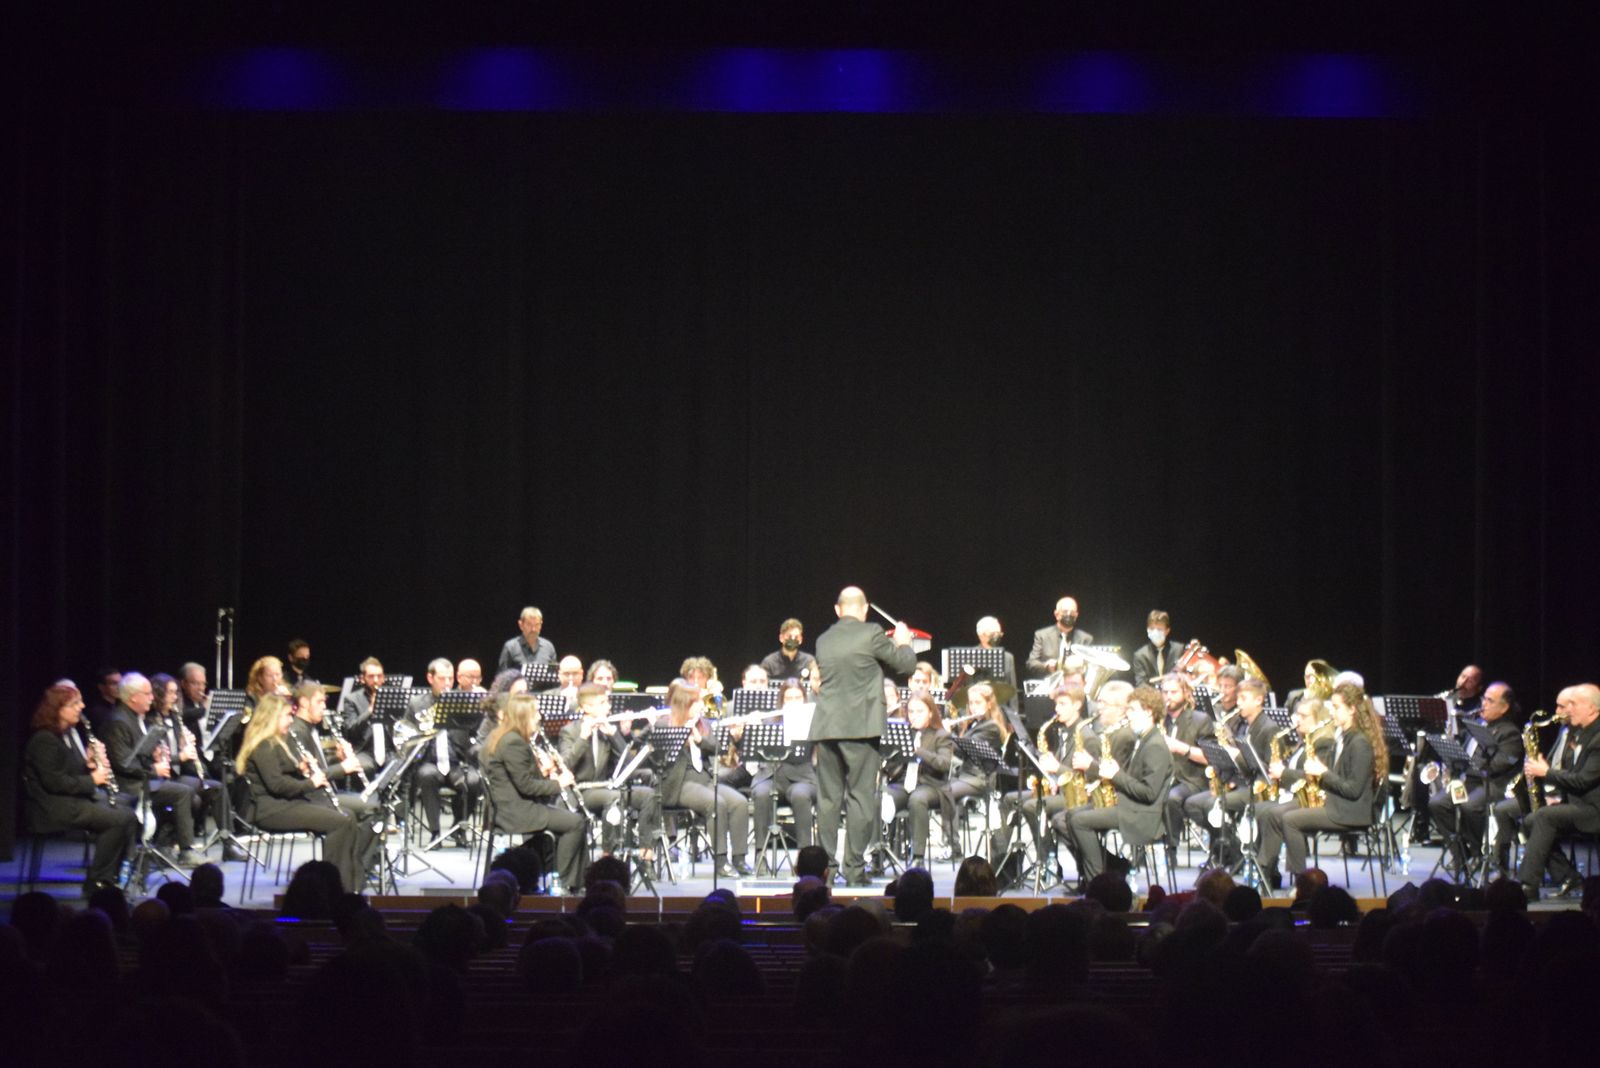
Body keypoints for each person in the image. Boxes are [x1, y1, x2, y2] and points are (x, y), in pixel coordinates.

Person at [811, 586, 916, 886]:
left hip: (828, 727)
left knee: (828, 800)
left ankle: (826, 871)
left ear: (837, 609)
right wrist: (904, 642)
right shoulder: (872, 633)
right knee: (860, 798)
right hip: (860, 728)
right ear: (866, 608)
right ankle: (854, 869)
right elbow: (906, 665)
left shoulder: (823, 639)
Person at [237, 693, 376, 891]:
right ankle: (335, 887)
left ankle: (352, 882)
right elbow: (277, 786)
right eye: (286, 716)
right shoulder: (264, 746)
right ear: (272, 718)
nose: (290, 720)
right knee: (341, 821)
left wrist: (301, 768)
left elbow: (283, 774)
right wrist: (311, 782)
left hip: (288, 803)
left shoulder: (276, 742)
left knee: (348, 816)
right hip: (273, 810)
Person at [23, 681, 140, 896]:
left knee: (127, 811)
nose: (82, 706)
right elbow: (55, 783)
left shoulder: (64, 735)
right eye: (75, 703)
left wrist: (89, 764)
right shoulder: (44, 740)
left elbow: (69, 774)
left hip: (70, 799)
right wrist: (93, 780)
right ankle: (96, 882)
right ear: (58, 709)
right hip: (52, 807)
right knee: (118, 819)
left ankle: (114, 875)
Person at [1059, 685, 1174, 886]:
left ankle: (1097, 882)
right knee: (1071, 814)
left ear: (1148, 712)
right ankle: (1097, 876)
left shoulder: (1155, 745)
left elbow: (1148, 793)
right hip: (1130, 805)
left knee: (1079, 821)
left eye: (1132, 710)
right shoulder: (1144, 739)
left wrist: (1116, 775)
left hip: (1142, 814)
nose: (1127, 715)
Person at [1271, 682, 1387, 879]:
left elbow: (1353, 790)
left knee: (1290, 820)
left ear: (1351, 710)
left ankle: (1302, 883)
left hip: (1351, 812)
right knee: (1282, 812)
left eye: (1336, 707)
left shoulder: (1359, 743)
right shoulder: (1344, 738)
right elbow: (1337, 778)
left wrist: (1323, 773)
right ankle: (1278, 873)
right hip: (1338, 805)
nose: (1331, 713)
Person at [482, 693, 588, 894]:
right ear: (524, 717)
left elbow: (524, 779)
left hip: (514, 807)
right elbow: (527, 787)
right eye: (536, 713)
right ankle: (561, 882)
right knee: (576, 823)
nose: (540, 717)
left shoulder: (506, 737)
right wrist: (559, 783)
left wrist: (545, 772)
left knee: (575, 819)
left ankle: (577, 882)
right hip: (516, 812)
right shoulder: (513, 742)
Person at [649, 678, 750, 877]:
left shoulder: (702, 723)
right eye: (696, 702)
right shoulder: (663, 723)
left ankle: (739, 859)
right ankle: (721, 861)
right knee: (715, 803)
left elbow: (717, 748)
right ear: (684, 704)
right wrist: (675, 735)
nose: (701, 705)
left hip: (703, 779)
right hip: (678, 783)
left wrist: (699, 739)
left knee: (739, 802)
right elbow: (655, 757)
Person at [102, 672, 206, 866]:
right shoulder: (119, 721)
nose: (152, 697)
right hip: (130, 785)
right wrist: (155, 769)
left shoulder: (134, 717)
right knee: (183, 792)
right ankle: (186, 851)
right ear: (133, 697)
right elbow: (123, 763)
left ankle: (165, 843)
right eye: (147, 693)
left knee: (192, 795)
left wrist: (156, 754)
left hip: (144, 779)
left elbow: (138, 753)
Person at [992, 681, 1093, 867]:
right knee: (1009, 799)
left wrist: (1057, 769)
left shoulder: (1085, 734)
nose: (1057, 709)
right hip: (1060, 789)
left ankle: (1045, 858)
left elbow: (1087, 776)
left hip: (1077, 797)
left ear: (1078, 705)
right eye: (1056, 704)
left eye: (1062, 704)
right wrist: (1046, 778)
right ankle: (1000, 860)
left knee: (1031, 806)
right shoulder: (1063, 731)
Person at [1428, 680, 1523, 873]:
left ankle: (1478, 852)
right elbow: (1466, 753)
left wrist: (1468, 765)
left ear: (1504, 708)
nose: (1483, 704)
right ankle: (1461, 854)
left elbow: (1499, 764)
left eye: (1489, 701)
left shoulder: (1509, 733)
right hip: (1469, 781)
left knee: (1470, 805)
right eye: (1483, 699)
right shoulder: (1477, 724)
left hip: (1492, 784)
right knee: (1437, 804)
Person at [1518, 684, 1600, 901]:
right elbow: (1572, 775)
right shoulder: (1580, 734)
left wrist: (1546, 772)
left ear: (1592, 709)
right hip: (1577, 804)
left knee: (1545, 816)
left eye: (1574, 704)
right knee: (1530, 820)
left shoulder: (1598, 738)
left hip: (1594, 810)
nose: (1568, 709)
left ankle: (1527, 885)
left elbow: (1583, 781)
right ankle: (1567, 875)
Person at [559, 683, 660, 859]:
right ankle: (608, 857)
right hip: (582, 790)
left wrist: (614, 735)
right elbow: (565, 765)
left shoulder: (607, 730)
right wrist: (583, 738)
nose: (609, 707)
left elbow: (628, 764)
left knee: (648, 795)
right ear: (587, 707)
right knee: (614, 798)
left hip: (607, 787)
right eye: (603, 702)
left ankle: (646, 854)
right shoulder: (569, 731)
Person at [1251, 697, 1336, 888]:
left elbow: (1313, 777)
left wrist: (1284, 773)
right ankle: (1268, 871)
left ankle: (1277, 873)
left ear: (1318, 719)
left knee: (1275, 814)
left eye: (1303, 716)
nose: (1296, 719)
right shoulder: (1303, 741)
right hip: (1295, 796)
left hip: (1313, 799)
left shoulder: (1324, 742)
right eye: (1297, 714)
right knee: (1259, 810)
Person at [406, 658, 482, 842]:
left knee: (473, 780)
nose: (447, 683)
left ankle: (458, 827)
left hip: (457, 761)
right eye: (442, 679)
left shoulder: (462, 701)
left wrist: (480, 705)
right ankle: (435, 832)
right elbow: (407, 736)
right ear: (430, 678)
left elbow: (477, 732)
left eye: (450, 679)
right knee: (427, 775)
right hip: (429, 761)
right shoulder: (417, 704)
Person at [149, 672, 227, 850]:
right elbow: (156, 757)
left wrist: (184, 744)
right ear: (159, 694)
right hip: (159, 778)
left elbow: (176, 748)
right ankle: (179, 845)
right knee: (192, 798)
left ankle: (227, 841)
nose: (175, 697)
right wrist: (181, 756)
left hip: (176, 775)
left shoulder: (175, 717)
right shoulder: (150, 720)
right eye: (170, 693)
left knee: (216, 787)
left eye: (176, 693)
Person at [751, 681, 819, 864]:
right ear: (782, 701)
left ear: (804, 699)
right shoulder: (770, 721)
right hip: (771, 776)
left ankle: (805, 856)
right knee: (762, 793)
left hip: (803, 778)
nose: (794, 702)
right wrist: (754, 727)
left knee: (800, 795)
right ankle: (761, 854)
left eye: (798, 698)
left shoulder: (814, 721)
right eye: (789, 698)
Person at [884, 693, 955, 867]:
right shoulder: (903, 733)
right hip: (904, 783)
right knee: (881, 796)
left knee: (917, 800)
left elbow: (944, 764)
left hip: (932, 785)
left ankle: (918, 856)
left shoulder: (941, 735)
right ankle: (878, 853)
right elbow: (891, 767)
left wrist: (919, 751)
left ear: (930, 712)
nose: (914, 715)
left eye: (919, 711)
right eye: (910, 711)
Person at [288, 682, 377, 819]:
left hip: (325, 794)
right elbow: (309, 775)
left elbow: (319, 766)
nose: (324, 706)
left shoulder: (309, 727)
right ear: (304, 703)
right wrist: (343, 768)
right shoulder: (297, 731)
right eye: (319, 702)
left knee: (372, 804)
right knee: (373, 808)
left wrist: (338, 759)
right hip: (313, 798)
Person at [1158, 673, 1212, 844]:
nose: (1168, 697)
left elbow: (1209, 757)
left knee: (1171, 798)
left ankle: (1170, 849)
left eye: (1173, 692)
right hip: (1164, 778)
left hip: (1191, 780)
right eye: (1165, 692)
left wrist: (1181, 748)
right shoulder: (1158, 720)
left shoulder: (1200, 719)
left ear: (1186, 694)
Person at [339, 657, 389, 775]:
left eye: (379, 676)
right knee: (364, 767)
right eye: (371, 676)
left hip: (388, 751)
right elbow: (350, 730)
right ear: (362, 679)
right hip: (365, 751)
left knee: (403, 765)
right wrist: (369, 711)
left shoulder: (391, 697)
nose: (376, 680)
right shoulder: (352, 699)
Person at [1026, 596, 1095, 678]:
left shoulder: (1086, 639)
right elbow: (1031, 662)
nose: (1069, 614)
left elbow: (1091, 666)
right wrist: (1046, 666)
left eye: (1072, 612)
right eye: (1065, 611)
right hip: (1049, 684)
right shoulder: (1042, 635)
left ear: (1076, 615)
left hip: (1075, 684)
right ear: (1057, 614)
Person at [497, 606, 557, 673]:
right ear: (521, 625)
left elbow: (554, 676)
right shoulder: (510, 647)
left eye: (537, 625)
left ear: (541, 624)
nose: (533, 629)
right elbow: (501, 677)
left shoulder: (548, 647)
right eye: (529, 624)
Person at [760, 618, 817, 682]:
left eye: (796, 637)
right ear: (781, 638)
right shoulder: (769, 663)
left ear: (801, 639)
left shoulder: (809, 661)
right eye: (789, 636)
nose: (793, 639)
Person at [1130, 611, 1177, 687]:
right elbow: (1141, 684)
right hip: (1151, 696)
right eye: (1152, 628)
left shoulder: (1178, 649)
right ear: (1147, 630)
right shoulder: (1140, 655)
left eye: (1159, 629)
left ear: (1167, 631)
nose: (1155, 632)